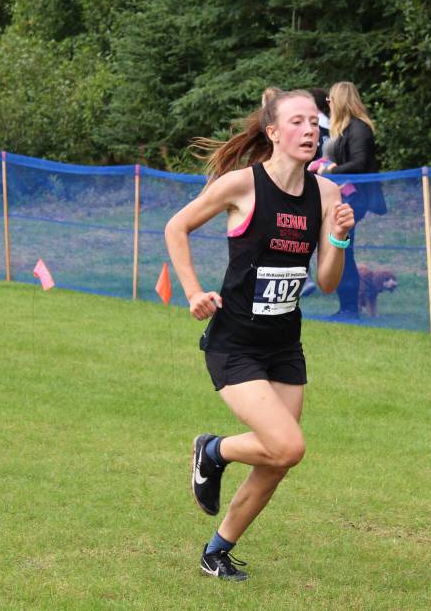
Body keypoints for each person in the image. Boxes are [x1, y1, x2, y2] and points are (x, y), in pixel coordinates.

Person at [165, 89, 355, 582]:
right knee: (288, 445)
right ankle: (213, 450)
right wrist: (192, 292)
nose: (311, 130)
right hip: (235, 344)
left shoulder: (326, 195)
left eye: (315, 122)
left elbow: (329, 281)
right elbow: (176, 226)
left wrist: (338, 237)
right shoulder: (242, 185)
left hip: (284, 345)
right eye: (298, 121)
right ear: (273, 132)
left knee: (276, 461)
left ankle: (216, 552)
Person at [317, 81, 386, 320]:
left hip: (356, 199)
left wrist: (330, 172)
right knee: (342, 250)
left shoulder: (359, 129)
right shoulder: (346, 129)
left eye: (330, 99)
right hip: (344, 196)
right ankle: (348, 307)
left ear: (340, 100)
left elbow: (359, 163)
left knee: (344, 249)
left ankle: (349, 309)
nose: (328, 104)